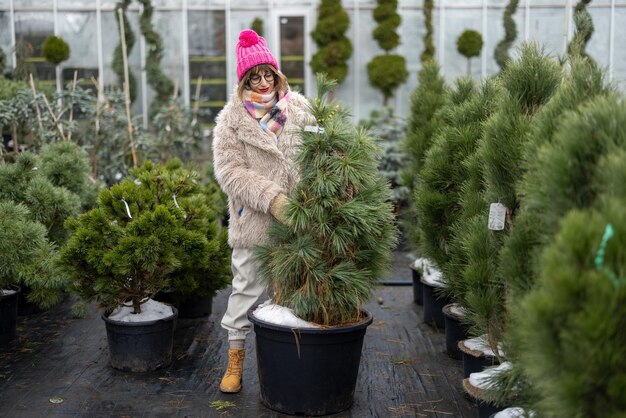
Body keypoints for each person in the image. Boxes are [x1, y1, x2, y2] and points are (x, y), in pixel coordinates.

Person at [212, 29, 313, 393]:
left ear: (276, 72)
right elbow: (229, 171)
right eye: (254, 76)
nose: (263, 81)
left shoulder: (298, 108)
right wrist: (271, 198)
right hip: (254, 221)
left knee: (290, 295)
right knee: (245, 289)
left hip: (297, 224)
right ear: (245, 80)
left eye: (267, 73)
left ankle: (290, 363)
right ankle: (235, 360)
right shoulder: (232, 119)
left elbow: (318, 154)